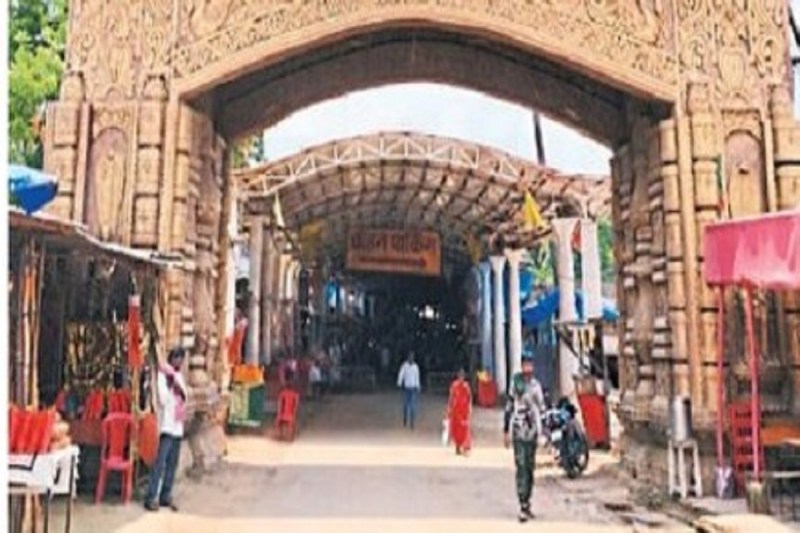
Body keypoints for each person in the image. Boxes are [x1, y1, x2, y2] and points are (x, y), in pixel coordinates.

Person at [503, 353, 545, 523]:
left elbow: (541, 408)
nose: (527, 368)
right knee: (521, 466)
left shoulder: (536, 386)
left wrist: (544, 432)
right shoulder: (516, 384)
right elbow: (509, 406)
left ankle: (528, 501)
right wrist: (506, 431)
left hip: (532, 432)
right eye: (525, 365)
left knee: (530, 468)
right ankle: (522, 504)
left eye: (530, 365)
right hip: (518, 431)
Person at [145, 346, 188, 512]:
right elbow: (163, 399)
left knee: (172, 464)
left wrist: (177, 386)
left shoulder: (178, 376)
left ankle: (166, 494)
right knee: (160, 462)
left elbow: (185, 396)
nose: (179, 361)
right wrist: (172, 386)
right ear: (172, 358)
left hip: (178, 426)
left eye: (181, 358)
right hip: (166, 425)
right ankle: (151, 496)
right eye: (177, 357)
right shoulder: (163, 376)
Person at [447, 368, 472, 455]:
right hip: (456, 410)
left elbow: (469, 398)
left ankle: (465, 446)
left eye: (462, 376)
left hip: (464, 411)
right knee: (456, 430)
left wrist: (469, 408)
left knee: (465, 429)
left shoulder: (466, 386)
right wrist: (449, 408)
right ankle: (457, 446)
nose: (461, 378)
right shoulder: (454, 385)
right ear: (458, 376)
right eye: (460, 376)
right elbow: (451, 397)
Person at [396, 352, 421, 429]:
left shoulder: (416, 367)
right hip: (406, 388)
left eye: (412, 357)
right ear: (408, 358)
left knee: (413, 406)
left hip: (413, 388)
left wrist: (418, 386)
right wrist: (399, 383)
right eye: (410, 357)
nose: (411, 358)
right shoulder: (404, 366)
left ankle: (412, 423)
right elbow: (401, 374)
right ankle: (405, 418)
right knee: (406, 405)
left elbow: (417, 377)